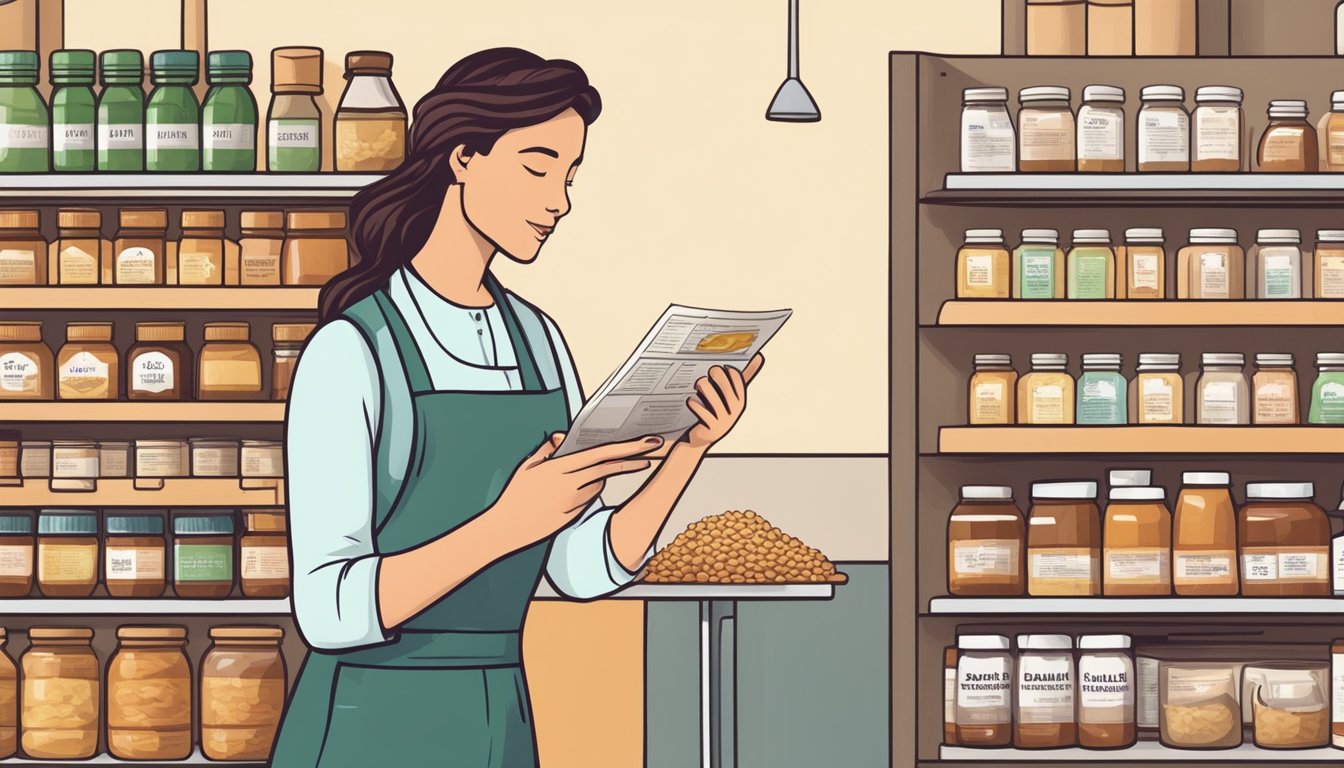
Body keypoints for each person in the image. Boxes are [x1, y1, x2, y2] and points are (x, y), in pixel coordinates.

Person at [269, 47, 765, 767]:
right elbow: (329, 610)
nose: (559, 199)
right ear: (463, 157)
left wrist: (687, 453)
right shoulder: (351, 352)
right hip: (368, 721)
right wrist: (507, 523)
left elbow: (579, 566)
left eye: (569, 175)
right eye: (537, 167)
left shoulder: (539, 340)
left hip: (499, 717)